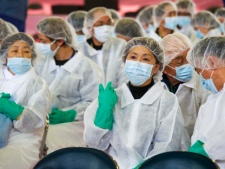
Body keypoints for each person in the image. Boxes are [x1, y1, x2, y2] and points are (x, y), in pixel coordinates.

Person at [84, 37, 190, 169]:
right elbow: (94, 145)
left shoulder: (167, 101)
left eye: (145, 59)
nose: (138, 63)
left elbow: (167, 145)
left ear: (156, 67)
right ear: (125, 62)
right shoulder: (110, 98)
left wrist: (145, 167)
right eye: (133, 57)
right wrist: (103, 113)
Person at [35, 17, 101, 153]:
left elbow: (94, 103)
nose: (40, 45)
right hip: (41, 125)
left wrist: (70, 114)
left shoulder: (88, 68)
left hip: (74, 128)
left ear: (59, 41)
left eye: (43, 41)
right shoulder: (40, 63)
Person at [0, 32, 51, 169]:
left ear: (32, 56)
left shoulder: (38, 84)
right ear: (5, 56)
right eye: (15, 50)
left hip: (22, 137)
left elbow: (34, 122)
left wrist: (12, 110)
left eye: (26, 51)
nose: (20, 55)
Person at [161, 32, 211, 137]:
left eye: (189, 59)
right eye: (179, 60)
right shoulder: (155, 85)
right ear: (164, 66)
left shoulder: (203, 83)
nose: (187, 64)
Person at [187, 36, 225, 168]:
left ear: (212, 62)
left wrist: (202, 153)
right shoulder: (213, 99)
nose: (201, 79)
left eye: (199, 72)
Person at [76, 7, 127, 88]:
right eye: (100, 24)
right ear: (90, 27)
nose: (106, 27)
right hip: (89, 99)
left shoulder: (120, 45)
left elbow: (124, 75)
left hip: (115, 97)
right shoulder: (79, 49)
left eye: (109, 23)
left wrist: (118, 94)